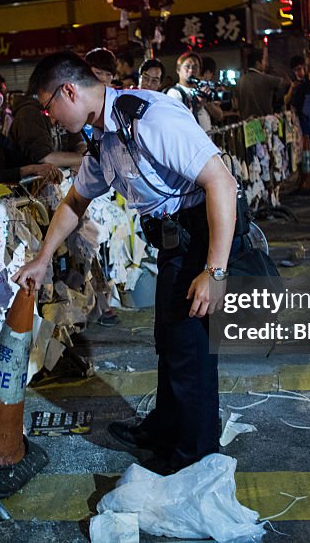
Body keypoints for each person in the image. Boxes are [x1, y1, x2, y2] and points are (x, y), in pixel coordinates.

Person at [13, 51, 247, 475]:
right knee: (170, 341)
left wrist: (215, 272)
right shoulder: (105, 138)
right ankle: (165, 428)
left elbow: (222, 183)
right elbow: (75, 201)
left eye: (49, 106)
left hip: (200, 235)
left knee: (191, 351)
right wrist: (42, 258)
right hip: (174, 243)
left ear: (70, 90)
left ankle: (195, 457)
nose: (49, 117)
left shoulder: (150, 117)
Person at [234, 48, 285, 119]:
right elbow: (284, 82)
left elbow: (236, 104)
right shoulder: (266, 79)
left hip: (246, 124)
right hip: (264, 122)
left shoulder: (240, 81)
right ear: (258, 63)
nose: (266, 63)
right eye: (264, 60)